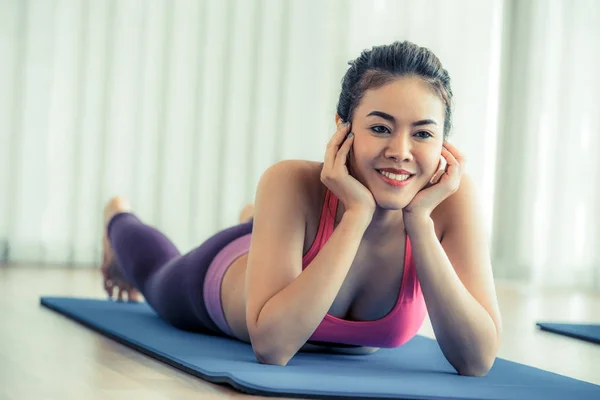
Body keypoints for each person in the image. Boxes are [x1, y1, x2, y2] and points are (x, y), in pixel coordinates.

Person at [100, 40, 502, 376]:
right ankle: (117, 218)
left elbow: (477, 360)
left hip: (296, 234)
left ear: (444, 144)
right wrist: (357, 216)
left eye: (423, 134)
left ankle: (259, 224)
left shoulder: (451, 201)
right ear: (342, 129)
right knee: (155, 276)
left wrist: (419, 223)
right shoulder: (288, 181)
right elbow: (273, 348)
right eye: (380, 127)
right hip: (227, 275)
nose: (400, 152)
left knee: (277, 231)